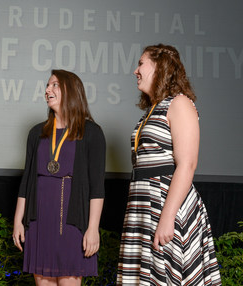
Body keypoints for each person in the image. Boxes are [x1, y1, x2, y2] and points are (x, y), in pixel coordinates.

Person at [116, 44, 221, 285]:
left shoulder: (180, 103)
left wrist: (167, 217)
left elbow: (187, 164)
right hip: (142, 208)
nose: (135, 70)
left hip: (167, 206)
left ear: (159, 66)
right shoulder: (152, 110)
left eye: (141, 63)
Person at [13, 69, 106, 285]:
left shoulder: (91, 132)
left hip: (72, 223)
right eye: (47, 85)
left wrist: (93, 228)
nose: (47, 90)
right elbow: (26, 181)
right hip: (39, 221)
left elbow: (97, 187)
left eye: (54, 85)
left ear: (71, 91)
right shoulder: (37, 132)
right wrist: (19, 220)